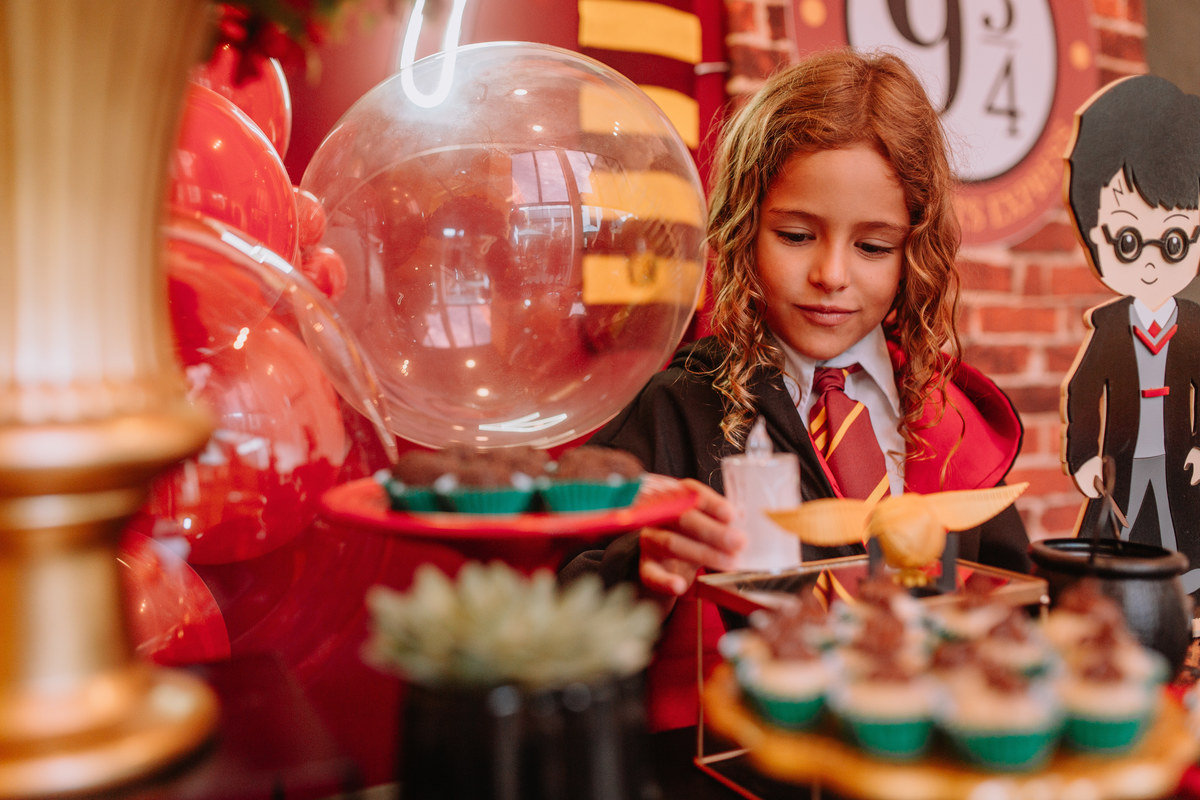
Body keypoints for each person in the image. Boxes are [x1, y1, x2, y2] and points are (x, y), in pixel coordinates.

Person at [560, 48, 1030, 730]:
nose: (831, 274)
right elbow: (564, 614)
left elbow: (1012, 604)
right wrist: (644, 569)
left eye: (873, 247)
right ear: (744, 227)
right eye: (797, 234)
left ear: (915, 251)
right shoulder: (677, 409)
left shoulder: (952, 420)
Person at [1063, 74, 1200, 594]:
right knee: (1115, 536)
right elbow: (1082, 393)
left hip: (1177, 458)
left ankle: (1182, 602)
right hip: (1120, 459)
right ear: (1094, 234)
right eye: (1127, 241)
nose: (1149, 263)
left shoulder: (1194, 327)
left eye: (1173, 242)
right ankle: (1117, 605)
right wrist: (1082, 458)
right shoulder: (1108, 329)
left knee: (1181, 535)